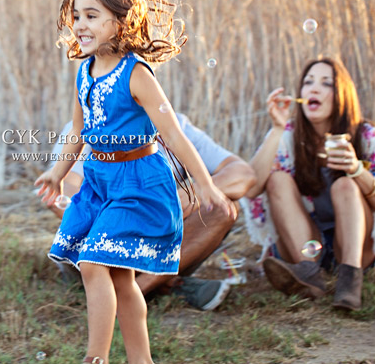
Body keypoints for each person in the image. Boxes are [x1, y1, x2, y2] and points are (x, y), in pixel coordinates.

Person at [35, 0, 235, 364]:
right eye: (76, 16)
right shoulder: (84, 72)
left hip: (139, 182)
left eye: (92, 15)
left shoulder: (136, 74)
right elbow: (77, 132)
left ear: (120, 23)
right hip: (100, 181)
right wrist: (56, 172)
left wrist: (205, 183)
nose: (80, 25)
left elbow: (173, 134)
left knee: (92, 263)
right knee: (120, 276)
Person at [241, 56, 375, 311]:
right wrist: (277, 128)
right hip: (306, 244)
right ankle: (309, 276)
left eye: (325, 83)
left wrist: (355, 170)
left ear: (341, 94)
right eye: (308, 82)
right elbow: (251, 188)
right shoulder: (290, 135)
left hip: (356, 247)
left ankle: (350, 280)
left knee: (346, 185)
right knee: (277, 179)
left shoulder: (365, 135)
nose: (313, 89)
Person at [44, 115, 256, 311]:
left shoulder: (177, 127)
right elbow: (64, 195)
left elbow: (242, 174)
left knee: (223, 207)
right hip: (104, 244)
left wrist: (193, 194)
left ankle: (136, 291)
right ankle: (170, 284)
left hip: (161, 244)